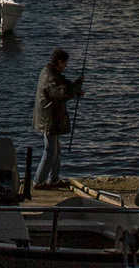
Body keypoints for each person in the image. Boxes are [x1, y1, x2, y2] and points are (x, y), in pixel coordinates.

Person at [31, 48, 84, 187]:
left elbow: (65, 85)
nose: (66, 65)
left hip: (51, 117)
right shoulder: (50, 76)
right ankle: (38, 181)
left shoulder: (53, 73)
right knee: (50, 151)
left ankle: (53, 179)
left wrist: (75, 89)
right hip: (49, 119)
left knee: (56, 150)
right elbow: (62, 93)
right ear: (59, 61)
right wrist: (77, 85)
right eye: (65, 62)